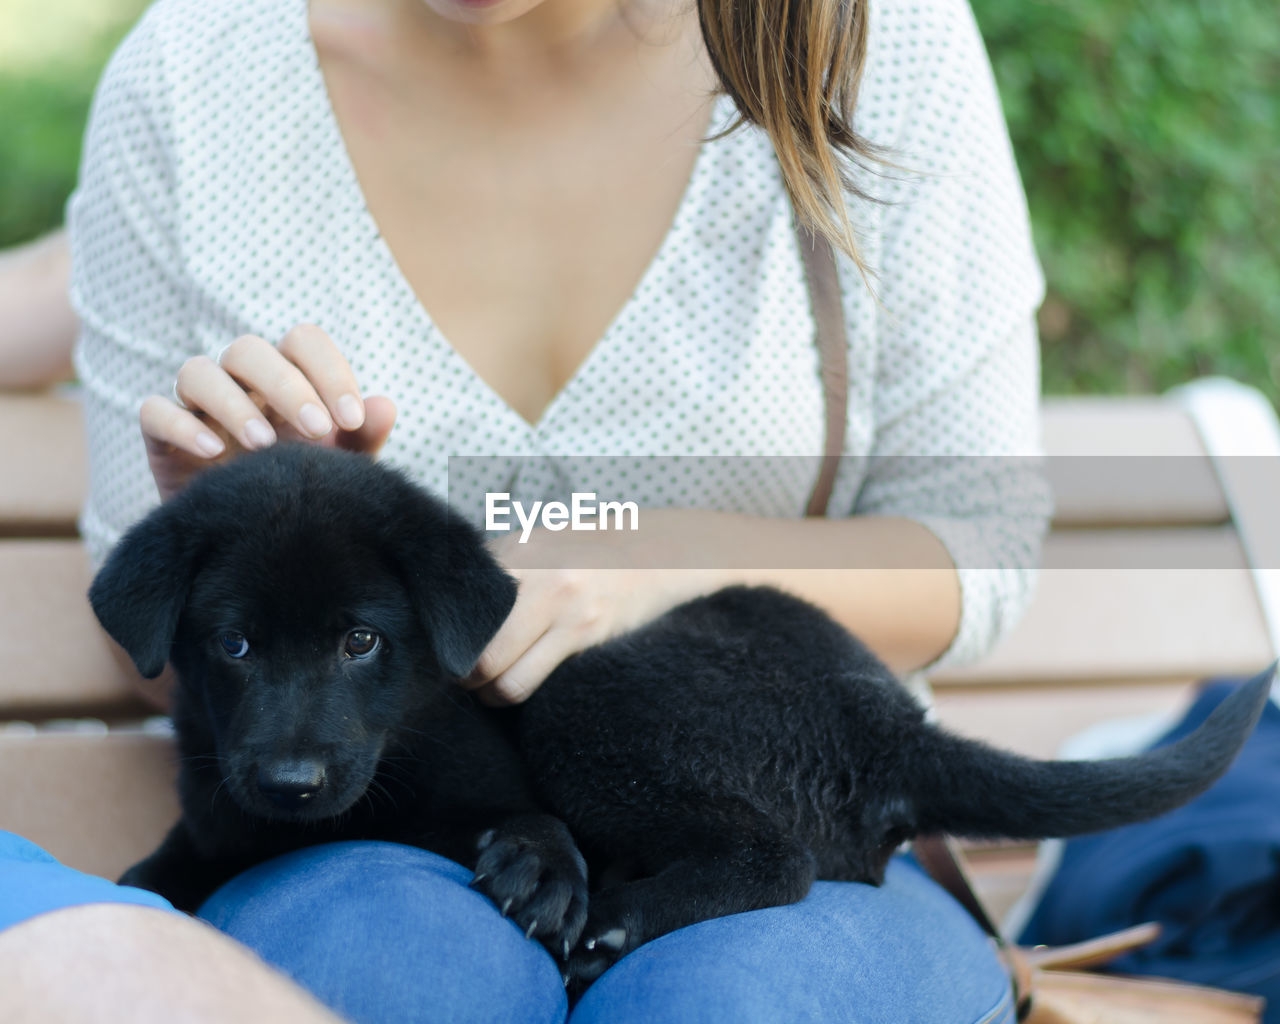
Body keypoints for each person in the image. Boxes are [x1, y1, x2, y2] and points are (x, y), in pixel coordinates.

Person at [1, 0, 1048, 1018]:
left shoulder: (869, 31)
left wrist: (655, 559)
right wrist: (235, 533)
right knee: (395, 975)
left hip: (778, 827)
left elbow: (979, 542)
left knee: (731, 1004)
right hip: (362, 847)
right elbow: (154, 660)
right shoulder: (193, 75)